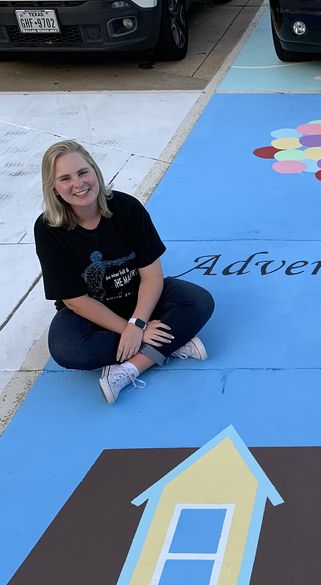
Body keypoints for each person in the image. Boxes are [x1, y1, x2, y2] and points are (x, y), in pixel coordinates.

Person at [34, 139, 215, 404]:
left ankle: (131, 367)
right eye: (65, 178)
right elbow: (75, 299)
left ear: (95, 171)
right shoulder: (48, 230)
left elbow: (152, 275)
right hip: (92, 313)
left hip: (138, 298)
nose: (78, 183)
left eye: (83, 172)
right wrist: (129, 330)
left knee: (200, 301)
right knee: (66, 349)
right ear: (54, 188)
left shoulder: (127, 208)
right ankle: (170, 341)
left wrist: (138, 323)